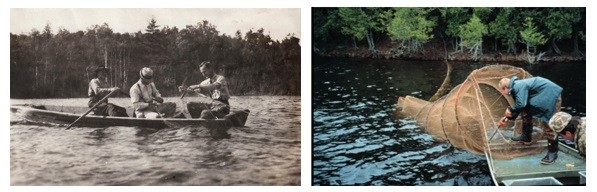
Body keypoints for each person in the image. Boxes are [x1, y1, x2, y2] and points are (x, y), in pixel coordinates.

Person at [497, 76, 563, 165]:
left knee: (549, 124)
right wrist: (506, 118)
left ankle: (553, 153)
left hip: (552, 96)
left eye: (502, 91)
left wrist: (509, 109)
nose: (503, 93)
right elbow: (519, 107)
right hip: (542, 95)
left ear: (505, 88)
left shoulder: (518, 86)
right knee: (525, 112)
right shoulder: (515, 87)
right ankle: (526, 137)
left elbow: (521, 104)